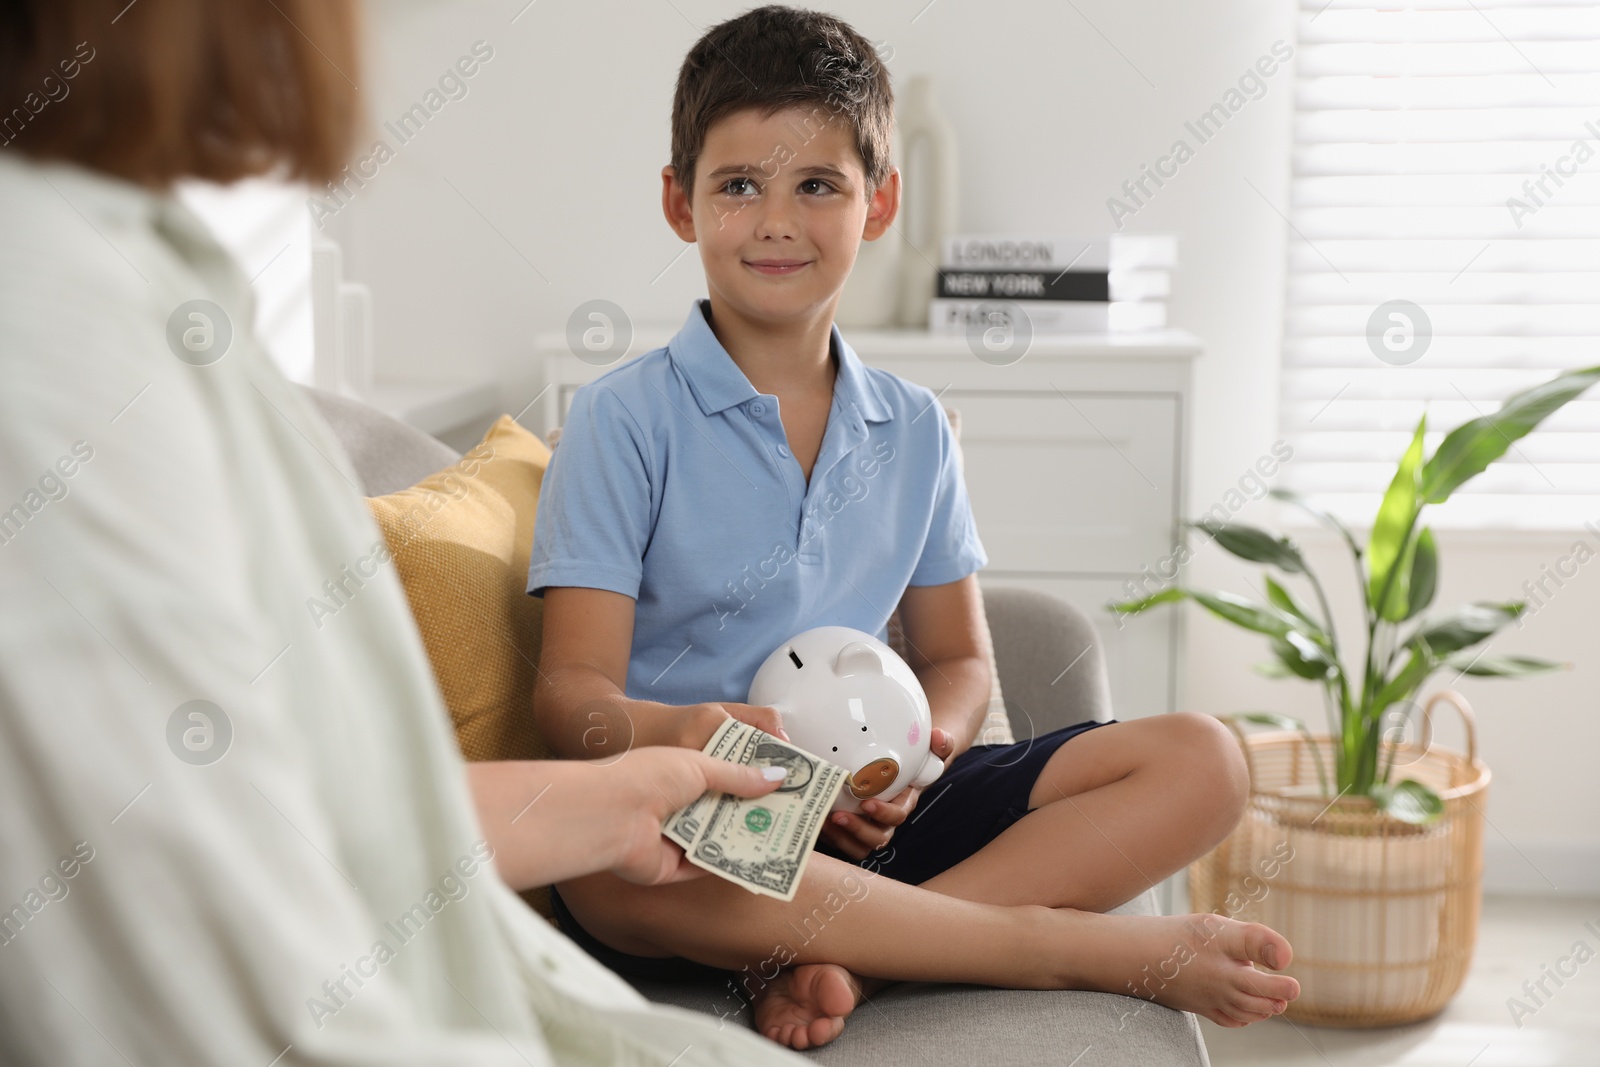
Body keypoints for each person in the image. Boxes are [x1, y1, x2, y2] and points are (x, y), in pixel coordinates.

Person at [0, 2, 811, 1063]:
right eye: (739, 184)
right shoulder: (52, 320)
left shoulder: (131, 266)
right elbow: (219, 990)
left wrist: (606, 802)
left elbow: (287, 824)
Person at [529, 4, 1301, 1052]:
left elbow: (957, 659)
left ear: (877, 202)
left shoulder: (914, 426)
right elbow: (569, 699)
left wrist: (912, 759)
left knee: (1204, 757)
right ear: (681, 203)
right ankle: (1050, 942)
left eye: (817, 186)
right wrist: (687, 732)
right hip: (701, 827)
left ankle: (843, 950)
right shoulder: (622, 421)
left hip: (873, 814)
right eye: (738, 185)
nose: (775, 221)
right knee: (605, 876)